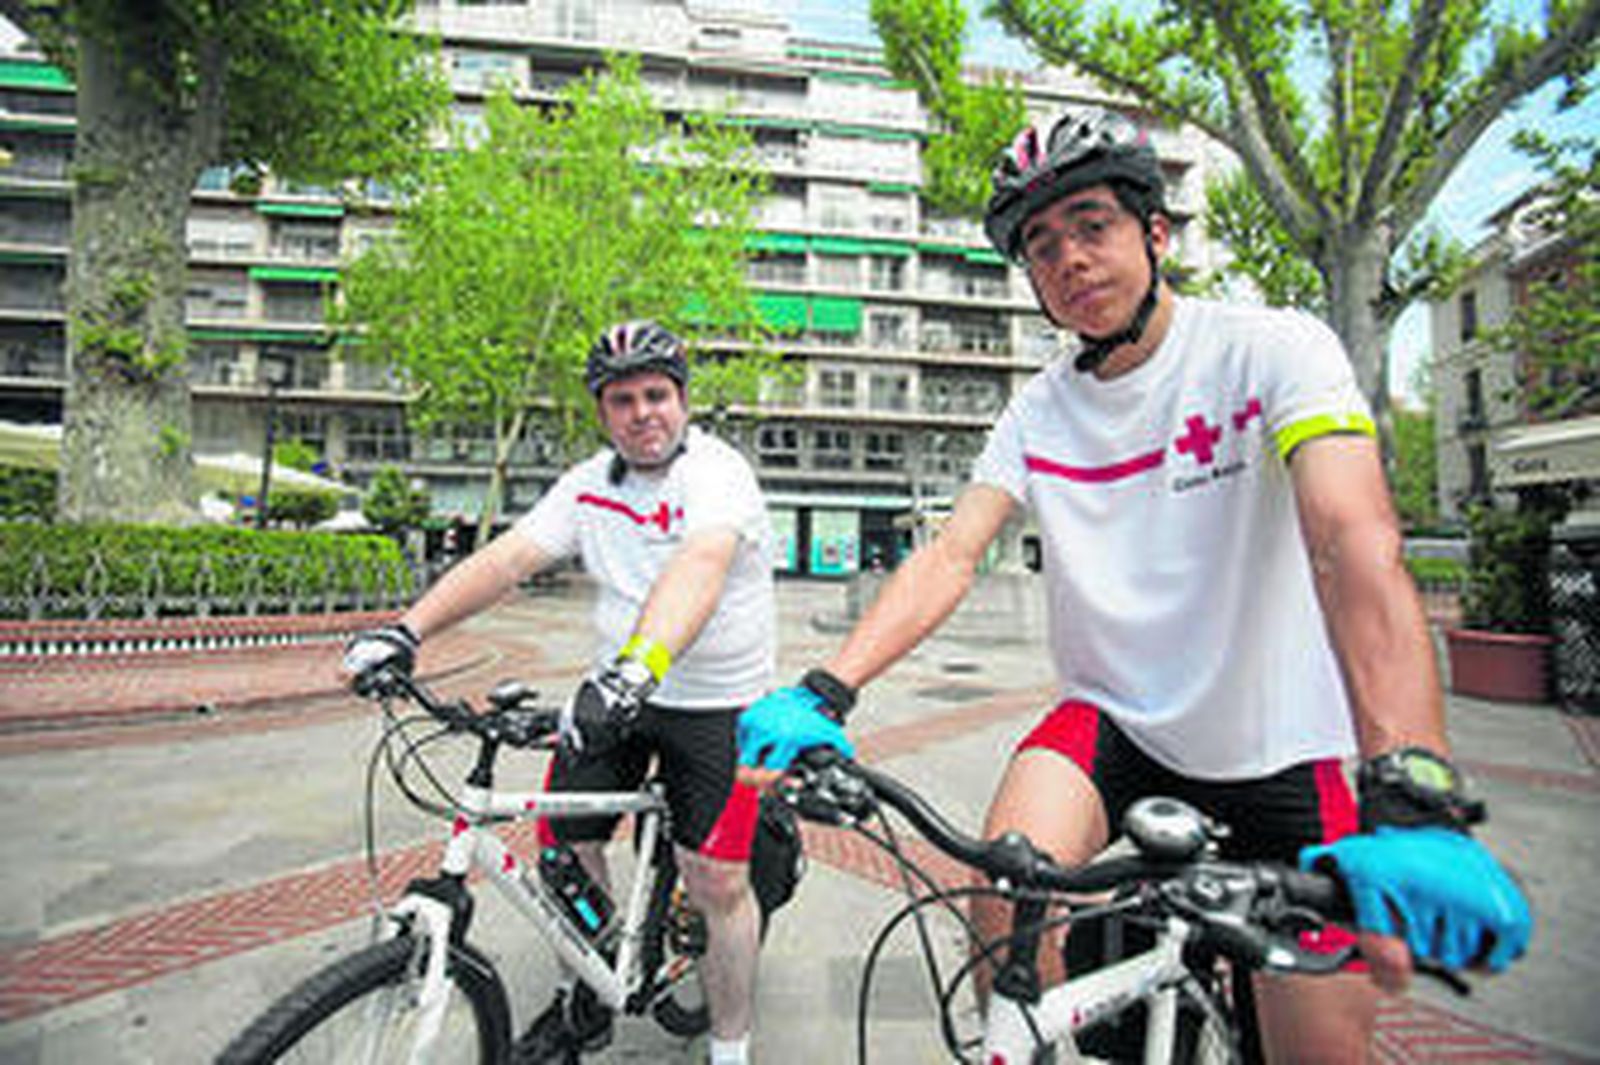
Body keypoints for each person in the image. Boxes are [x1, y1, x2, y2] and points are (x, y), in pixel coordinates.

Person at [737, 108, 1531, 1059]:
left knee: (1313, 1048)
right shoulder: (1038, 411)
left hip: (1286, 745)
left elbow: (1351, 544)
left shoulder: (1272, 349)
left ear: (1155, 233)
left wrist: (1411, 786)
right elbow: (951, 554)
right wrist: (828, 688)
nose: (1069, 257)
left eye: (1093, 225)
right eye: (1041, 244)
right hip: (1115, 724)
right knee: (1002, 900)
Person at [345, 321, 774, 1065]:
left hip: (717, 703)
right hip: (618, 693)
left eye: (658, 395)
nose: (644, 412)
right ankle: (591, 986)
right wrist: (405, 631)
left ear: (683, 399)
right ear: (601, 412)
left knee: (715, 877)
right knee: (565, 852)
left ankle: (731, 1043)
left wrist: (638, 667)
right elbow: (508, 557)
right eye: (622, 399)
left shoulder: (717, 472)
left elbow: (700, 566)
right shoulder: (586, 485)